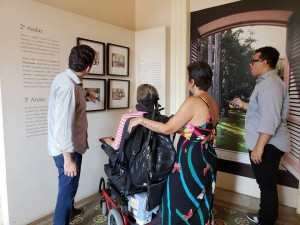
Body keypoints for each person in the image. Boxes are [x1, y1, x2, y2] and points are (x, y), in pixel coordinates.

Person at [128, 61, 219, 225]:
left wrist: (140, 120)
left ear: (192, 81)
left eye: (187, 78)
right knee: (200, 196)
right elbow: (202, 130)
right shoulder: (212, 101)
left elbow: (168, 129)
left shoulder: (194, 101)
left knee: (178, 199)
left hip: (191, 159)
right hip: (207, 155)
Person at [230, 46, 290, 225]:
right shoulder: (266, 83)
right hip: (267, 143)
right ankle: (267, 215)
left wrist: (259, 147)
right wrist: (244, 105)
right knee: (267, 184)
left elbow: (270, 119)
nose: (250, 64)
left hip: (268, 144)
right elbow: (263, 110)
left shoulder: (271, 85)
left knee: (266, 185)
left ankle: (267, 220)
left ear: (264, 62)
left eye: (253, 60)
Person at [48, 44, 96, 225]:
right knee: (66, 190)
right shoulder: (69, 88)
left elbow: (71, 98)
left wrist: (86, 94)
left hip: (66, 146)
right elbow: (63, 126)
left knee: (71, 185)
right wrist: (68, 159)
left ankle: (70, 210)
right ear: (88, 68)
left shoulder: (64, 78)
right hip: (66, 149)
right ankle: (61, 219)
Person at [101, 83, 159, 150]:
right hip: (153, 156)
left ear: (138, 98)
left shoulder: (127, 117)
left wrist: (107, 139)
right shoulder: (159, 118)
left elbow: (116, 146)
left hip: (132, 158)